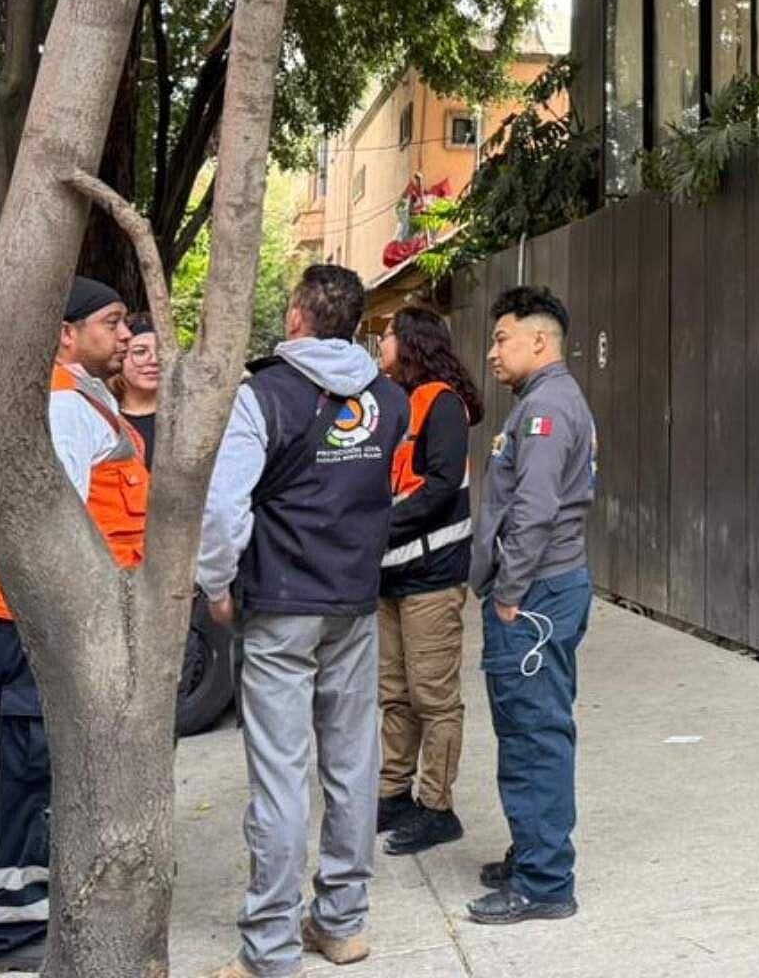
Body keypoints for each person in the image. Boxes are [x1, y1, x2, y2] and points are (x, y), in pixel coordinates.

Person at [198, 265, 407, 978]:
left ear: (295, 318)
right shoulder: (390, 401)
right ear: (352, 323)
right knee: (352, 766)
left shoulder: (264, 398)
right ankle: (343, 924)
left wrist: (216, 584)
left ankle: (270, 951)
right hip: (353, 603)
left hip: (281, 606)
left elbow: (226, 508)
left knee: (280, 779)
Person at [0, 277, 143, 976]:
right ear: (66, 333)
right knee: (32, 772)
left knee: (49, 771)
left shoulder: (89, 402)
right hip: (41, 623)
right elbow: (55, 526)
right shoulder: (63, 406)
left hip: (58, 620)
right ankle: (4, 933)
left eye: (126, 322)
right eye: (111, 322)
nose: (125, 335)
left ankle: (35, 912)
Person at [466, 285, 597, 926]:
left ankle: (545, 882)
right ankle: (534, 852)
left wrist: (510, 594)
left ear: (538, 341)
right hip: (540, 591)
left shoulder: (547, 410)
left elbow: (534, 511)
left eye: (501, 338)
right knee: (525, 728)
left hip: (537, 595)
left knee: (534, 733)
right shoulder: (542, 402)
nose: (492, 352)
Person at [373, 306, 483, 856]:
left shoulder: (442, 403)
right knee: (394, 695)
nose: (381, 343)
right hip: (393, 574)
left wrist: (378, 525)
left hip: (431, 575)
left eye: (388, 335)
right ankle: (394, 793)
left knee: (433, 697)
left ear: (411, 342)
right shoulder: (401, 401)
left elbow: (439, 487)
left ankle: (437, 807)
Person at [114, 313, 161, 467]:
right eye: (140, 352)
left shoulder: (186, 416)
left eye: (161, 351)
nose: (154, 360)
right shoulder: (104, 415)